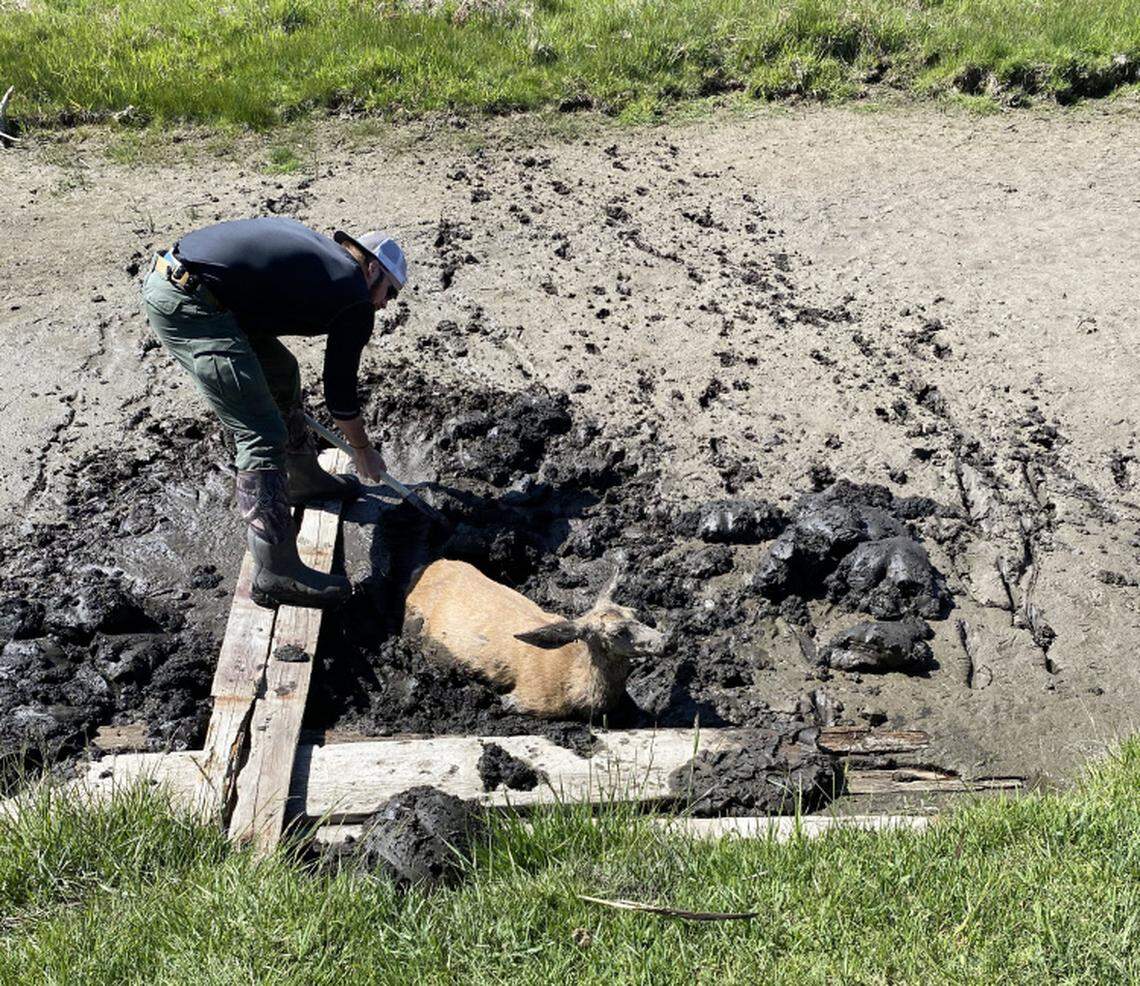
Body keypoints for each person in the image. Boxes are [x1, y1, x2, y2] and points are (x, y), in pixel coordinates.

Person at [140, 216, 407, 610]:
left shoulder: (331, 264)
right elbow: (340, 395)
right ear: (372, 269)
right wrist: (362, 450)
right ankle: (275, 570)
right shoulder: (353, 292)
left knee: (282, 374)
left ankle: (301, 478)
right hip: (192, 305)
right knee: (259, 432)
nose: (385, 305)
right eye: (391, 292)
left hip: (200, 292)